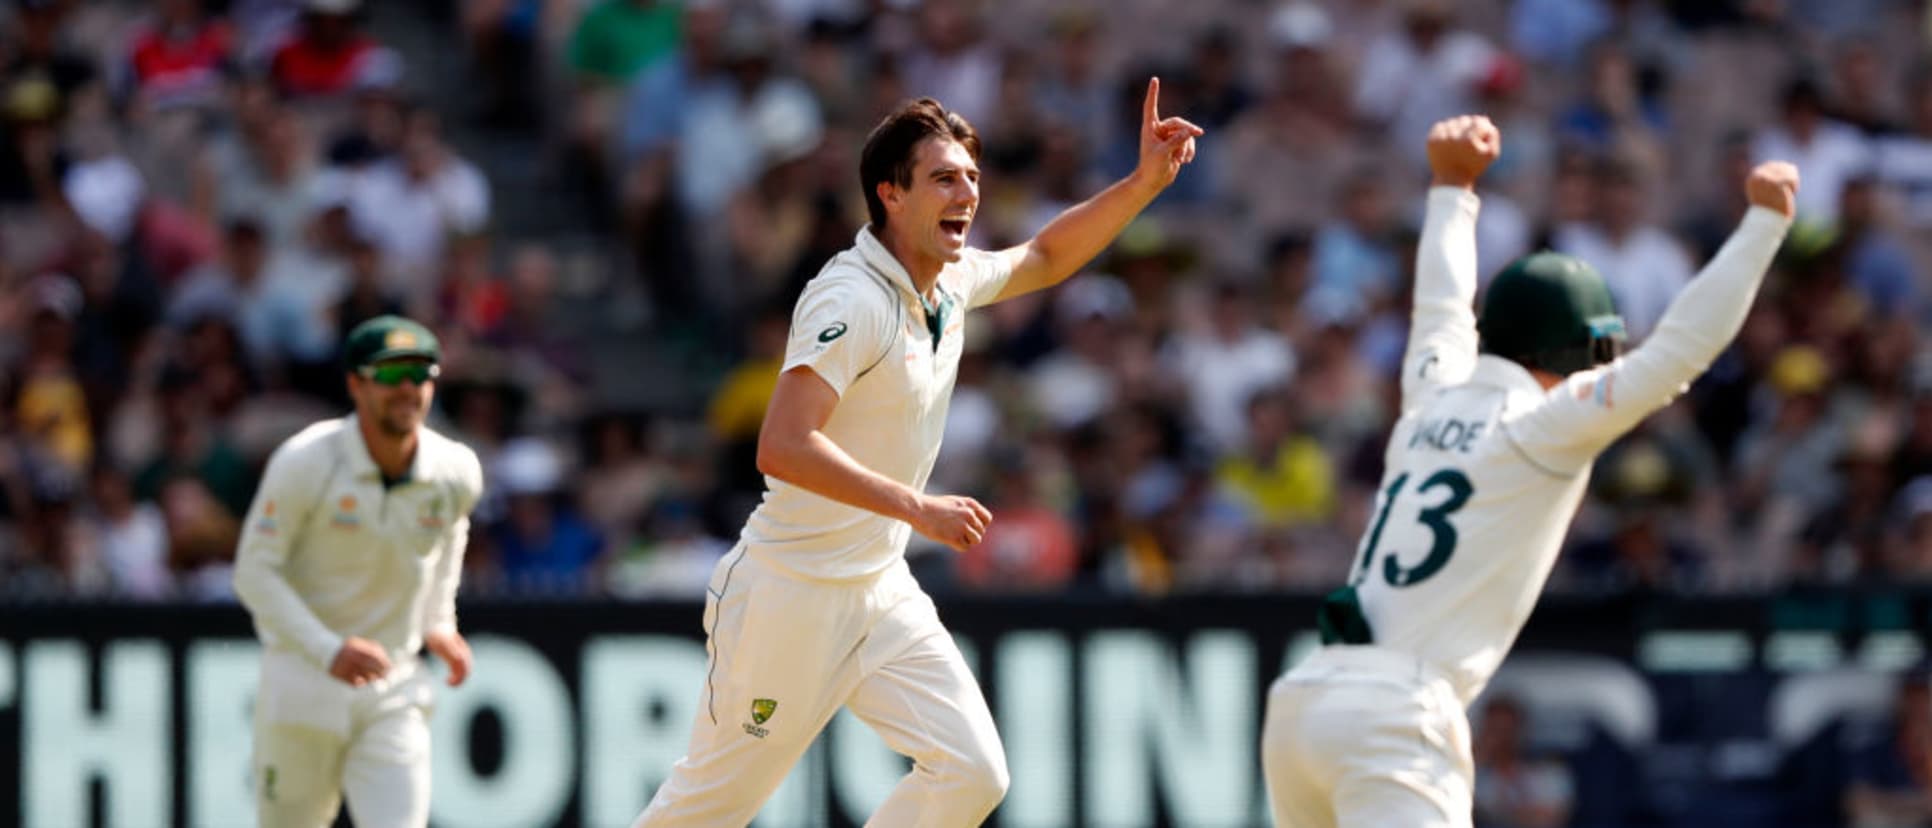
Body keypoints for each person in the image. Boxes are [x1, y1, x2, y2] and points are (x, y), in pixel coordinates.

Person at [634, 79, 1201, 826]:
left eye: (970, 176)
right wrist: (916, 508)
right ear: (890, 195)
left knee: (971, 773)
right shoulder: (850, 298)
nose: (965, 191)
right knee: (711, 806)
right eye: (942, 177)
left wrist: (1141, 184)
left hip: (878, 587)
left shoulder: (950, 283)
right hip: (789, 594)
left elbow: (1045, 255)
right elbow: (782, 445)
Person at [1259, 115, 1796, 827]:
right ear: (1582, 355)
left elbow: (1442, 307)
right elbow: (1679, 352)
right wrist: (1763, 224)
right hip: (1395, 716)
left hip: (1305, 700)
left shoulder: (1428, 398)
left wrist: (1452, 186)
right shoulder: (1543, 427)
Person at [233, 315, 484, 827]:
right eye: (390, 375)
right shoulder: (307, 461)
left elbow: (449, 536)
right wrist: (329, 650)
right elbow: (254, 573)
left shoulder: (454, 470)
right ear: (355, 383)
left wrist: (439, 620)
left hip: (393, 688)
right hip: (301, 688)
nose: (407, 389)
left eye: (420, 373)